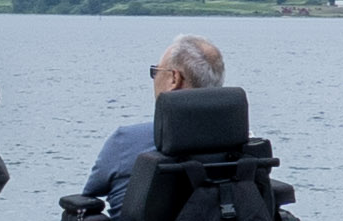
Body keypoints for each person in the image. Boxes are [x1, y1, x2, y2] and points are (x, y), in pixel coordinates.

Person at [79, 33, 234, 205]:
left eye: (156, 71)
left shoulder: (125, 142)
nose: (154, 79)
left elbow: (88, 196)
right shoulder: (240, 146)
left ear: (174, 79)